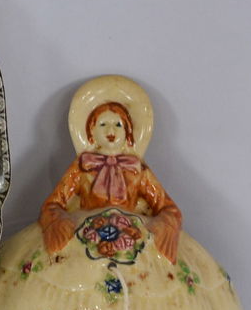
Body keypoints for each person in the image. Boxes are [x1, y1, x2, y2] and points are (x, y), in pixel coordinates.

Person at [38, 101, 181, 263]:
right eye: (103, 124)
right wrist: (63, 222)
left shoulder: (136, 169)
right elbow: (53, 203)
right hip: (86, 235)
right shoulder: (83, 166)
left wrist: (162, 225)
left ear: (128, 132)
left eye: (118, 125)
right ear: (91, 131)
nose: (111, 130)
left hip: (131, 237)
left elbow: (167, 207)